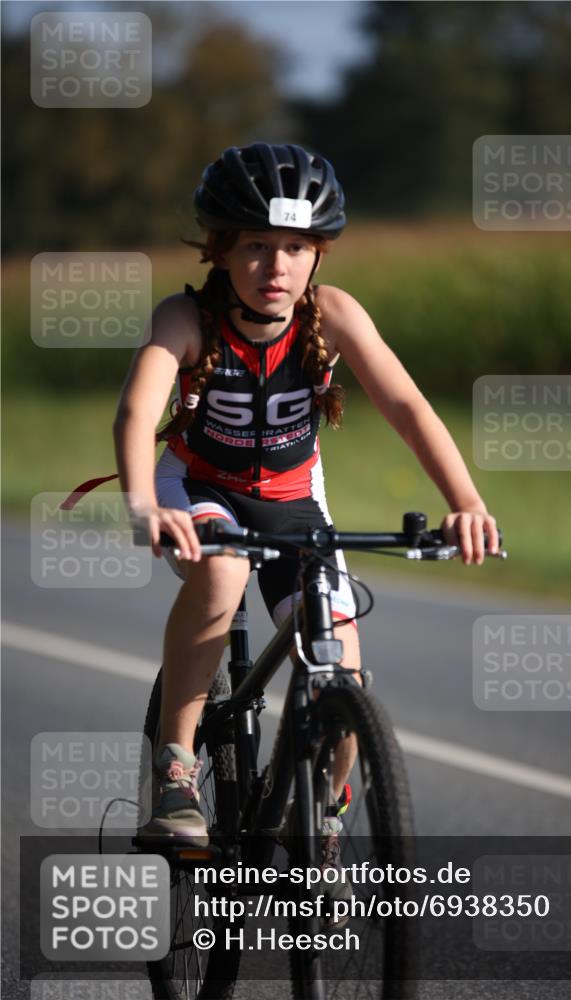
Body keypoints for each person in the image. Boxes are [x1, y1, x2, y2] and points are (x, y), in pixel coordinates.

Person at [113, 142, 499, 850]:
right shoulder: (185, 317)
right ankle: (175, 766)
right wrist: (145, 503)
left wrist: (466, 503)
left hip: (293, 500)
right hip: (197, 487)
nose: (276, 266)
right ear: (220, 249)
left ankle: (318, 816)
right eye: (256, 245)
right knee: (223, 570)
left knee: (340, 671)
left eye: (295, 247)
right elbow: (137, 412)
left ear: (319, 254)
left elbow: (409, 409)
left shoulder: (335, 315)